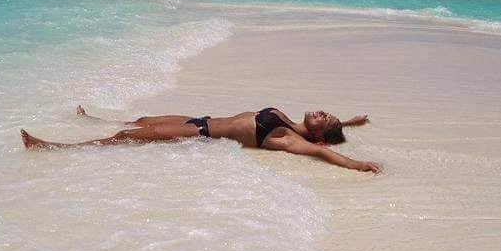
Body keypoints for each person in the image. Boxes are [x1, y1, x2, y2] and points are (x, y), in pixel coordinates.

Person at [20, 106, 383, 173]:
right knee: (142, 121)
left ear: (318, 135)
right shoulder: (289, 120)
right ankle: (92, 120)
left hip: (201, 134)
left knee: (126, 137)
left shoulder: (287, 137)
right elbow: (329, 136)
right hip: (202, 119)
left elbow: (323, 155)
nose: (323, 112)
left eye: (326, 118)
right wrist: (348, 123)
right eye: (328, 113)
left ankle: (53, 148)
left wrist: (358, 164)